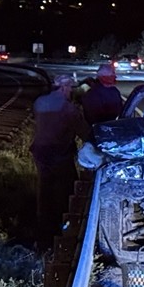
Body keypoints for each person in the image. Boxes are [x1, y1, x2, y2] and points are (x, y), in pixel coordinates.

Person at [30, 73, 91, 252]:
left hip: (40, 153)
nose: (71, 91)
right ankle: (65, 230)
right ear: (64, 88)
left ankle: (42, 235)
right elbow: (85, 132)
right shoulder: (68, 108)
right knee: (69, 192)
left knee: (44, 192)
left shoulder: (39, 102)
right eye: (70, 88)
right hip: (60, 154)